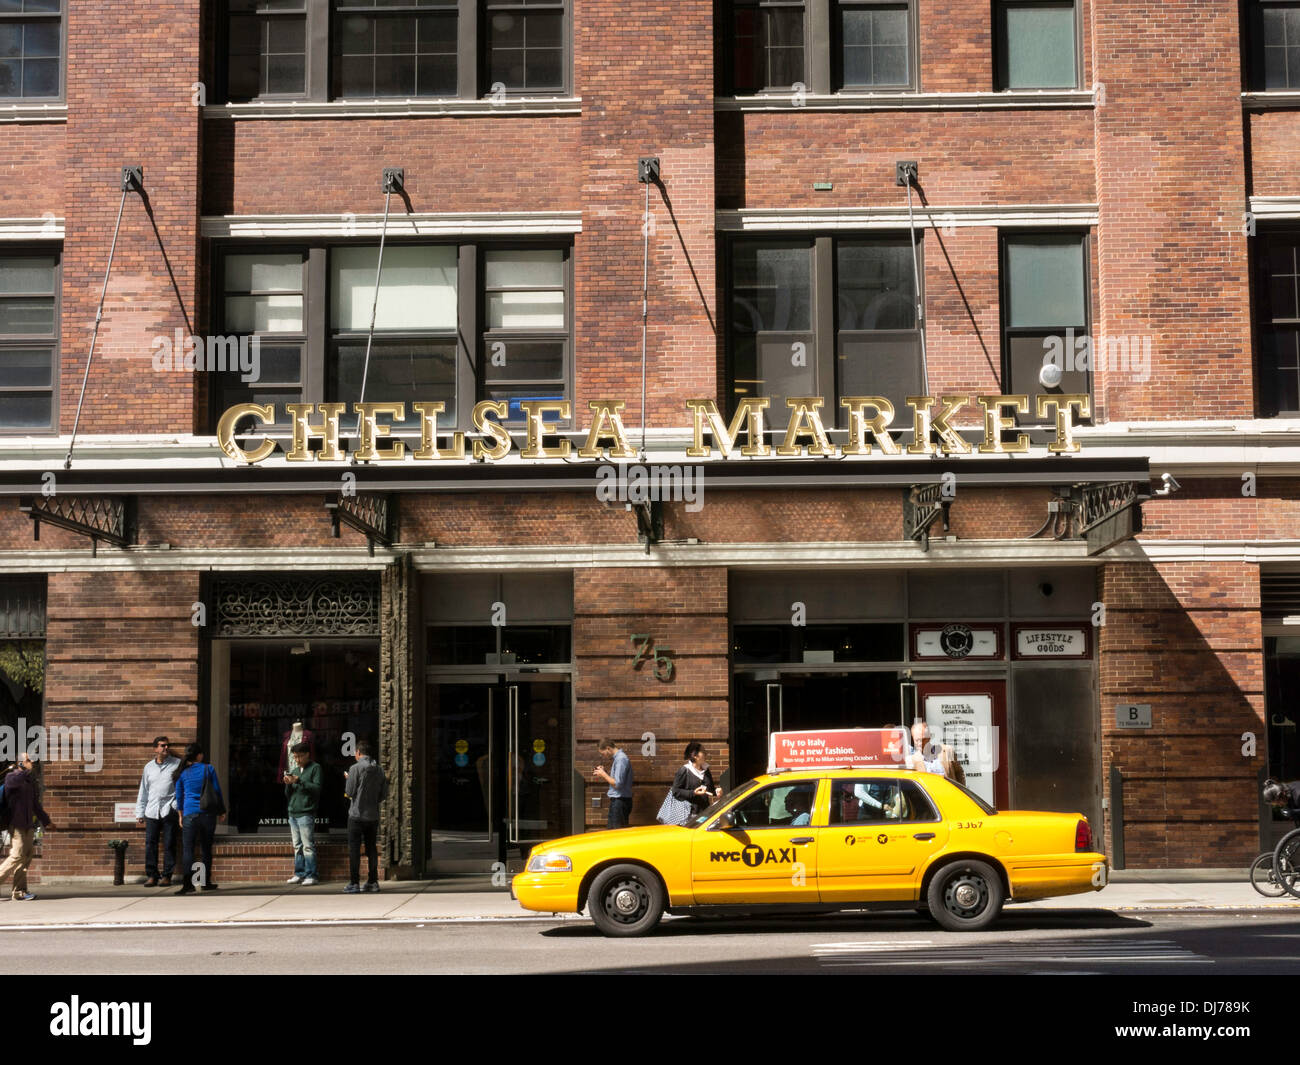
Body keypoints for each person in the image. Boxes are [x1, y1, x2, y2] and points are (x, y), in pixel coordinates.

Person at [172, 743, 225, 895]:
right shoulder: (208, 769)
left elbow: (179, 796)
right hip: (207, 813)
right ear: (199, 755)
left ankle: (187, 884)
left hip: (189, 813)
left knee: (188, 849)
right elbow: (216, 790)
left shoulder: (182, 773)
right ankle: (205, 882)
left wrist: (181, 815)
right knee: (206, 848)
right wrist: (221, 810)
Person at [0, 753, 53, 901]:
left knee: (26, 857)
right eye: (28, 760)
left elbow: (35, 805)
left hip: (28, 825)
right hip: (16, 824)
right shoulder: (12, 777)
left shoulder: (30, 781)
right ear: (20, 763)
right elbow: (13, 784)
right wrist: (25, 771)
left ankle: (19, 891)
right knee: (16, 855)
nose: (32, 763)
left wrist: (46, 821)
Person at [135, 736, 180, 887]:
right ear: (155, 748)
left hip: (169, 810)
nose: (165, 748)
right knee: (150, 844)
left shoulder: (176, 764)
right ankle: (152, 875)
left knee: (169, 844)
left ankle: (167, 875)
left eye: (167, 745)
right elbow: (144, 790)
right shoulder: (148, 767)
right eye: (162, 746)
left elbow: (182, 787)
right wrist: (140, 813)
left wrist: (176, 804)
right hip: (152, 811)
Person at [343, 739, 387, 894]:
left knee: (354, 850)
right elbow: (384, 794)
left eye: (355, 753)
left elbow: (349, 792)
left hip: (356, 815)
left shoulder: (355, 768)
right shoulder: (379, 770)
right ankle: (373, 881)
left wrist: (348, 779)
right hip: (373, 816)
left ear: (358, 753)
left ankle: (354, 883)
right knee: (372, 849)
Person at [283, 741, 321, 885]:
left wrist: (299, 781)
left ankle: (312, 874)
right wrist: (288, 784)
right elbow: (288, 794)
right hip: (293, 811)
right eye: (295, 757)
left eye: (299, 756)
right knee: (297, 845)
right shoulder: (294, 770)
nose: (297, 760)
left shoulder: (315, 768)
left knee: (307, 845)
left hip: (306, 812)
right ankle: (299, 873)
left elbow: (316, 789)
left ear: (307, 755)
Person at [671, 742, 722, 817]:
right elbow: (675, 791)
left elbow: (709, 790)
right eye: (703, 752)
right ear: (694, 755)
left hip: (705, 812)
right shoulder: (685, 770)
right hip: (689, 814)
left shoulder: (706, 770)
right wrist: (693, 793)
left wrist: (716, 792)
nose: (706, 754)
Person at [909, 719, 965, 785]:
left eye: (923, 739)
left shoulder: (947, 751)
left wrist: (960, 792)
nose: (920, 743)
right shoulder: (913, 761)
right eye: (917, 740)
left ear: (929, 737)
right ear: (913, 739)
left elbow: (959, 773)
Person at [594, 738, 634, 829]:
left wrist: (603, 774)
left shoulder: (621, 759)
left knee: (616, 835)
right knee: (613, 834)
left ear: (608, 748)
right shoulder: (619, 759)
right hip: (619, 801)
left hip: (620, 802)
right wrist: (604, 772)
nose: (603, 756)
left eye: (603, 753)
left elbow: (617, 783)